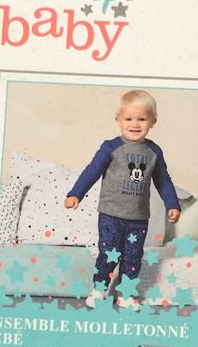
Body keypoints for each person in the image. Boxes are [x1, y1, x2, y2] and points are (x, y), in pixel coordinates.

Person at [65, 89, 180, 304]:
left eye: (142, 119)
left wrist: (172, 204)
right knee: (109, 253)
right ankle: (99, 290)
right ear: (118, 120)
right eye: (128, 119)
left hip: (138, 219)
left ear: (153, 121)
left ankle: (126, 294)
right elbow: (92, 171)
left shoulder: (154, 152)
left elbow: (163, 180)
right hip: (111, 216)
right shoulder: (111, 147)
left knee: (132, 259)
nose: (135, 124)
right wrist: (76, 193)